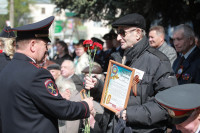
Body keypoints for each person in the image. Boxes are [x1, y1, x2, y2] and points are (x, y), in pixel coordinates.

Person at [84, 13, 178, 133]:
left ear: (138, 33)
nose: (118, 38)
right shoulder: (118, 58)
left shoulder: (158, 61)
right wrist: (97, 86)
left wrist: (130, 114)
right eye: (118, 33)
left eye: (122, 32)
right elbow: (116, 95)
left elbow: (167, 104)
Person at [0, 16, 93, 133]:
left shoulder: (7, 68)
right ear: (33, 45)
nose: (46, 50)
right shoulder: (37, 74)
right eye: (45, 45)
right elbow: (62, 109)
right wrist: (85, 106)